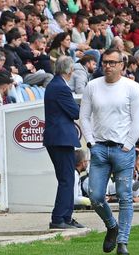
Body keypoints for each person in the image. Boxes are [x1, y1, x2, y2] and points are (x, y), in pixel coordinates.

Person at [80, 48, 139, 255]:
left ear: (122, 66)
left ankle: (122, 241)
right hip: (99, 147)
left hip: (122, 149)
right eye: (105, 62)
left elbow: (138, 120)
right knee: (96, 196)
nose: (107, 66)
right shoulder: (92, 86)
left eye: (112, 62)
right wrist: (90, 142)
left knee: (125, 196)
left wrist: (128, 144)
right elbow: (84, 117)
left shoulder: (132, 87)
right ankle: (111, 225)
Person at [43, 56, 84, 230]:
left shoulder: (55, 85)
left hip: (58, 138)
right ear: (69, 71)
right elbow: (75, 112)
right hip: (60, 138)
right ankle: (59, 217)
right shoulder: (60, 88)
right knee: (67, 179)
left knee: (67, 179)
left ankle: (65, 217)